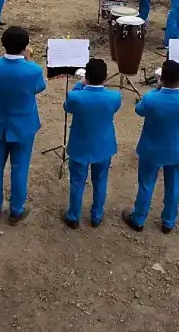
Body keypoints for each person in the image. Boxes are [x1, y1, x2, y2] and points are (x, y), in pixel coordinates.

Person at [122, 60, 179, 234]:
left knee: (146, 184)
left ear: (161, 78)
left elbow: (139, 110)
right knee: (173, 186)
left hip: (152, 149)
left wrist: (156, 88)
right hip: (177, 150)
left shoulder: (151, 98)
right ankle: (168, 222)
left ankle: (139, 218)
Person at [0, 27, 46, 224]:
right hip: (23, 127)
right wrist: (28, 60)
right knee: (20, 168)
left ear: (3, 44)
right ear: (25, 47)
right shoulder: (33, 69)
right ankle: (16, 211)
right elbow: (40, 87)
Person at [62, 58, 123, 229]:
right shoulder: (114, 97)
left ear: (86, 76)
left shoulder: (76, 96)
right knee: (101, 180)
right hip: (103, 146)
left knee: (77, 181)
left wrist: (79, 85)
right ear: (105, 77)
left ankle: (73, 216)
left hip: (80, 145)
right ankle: (96, 215)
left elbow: (67, 107)